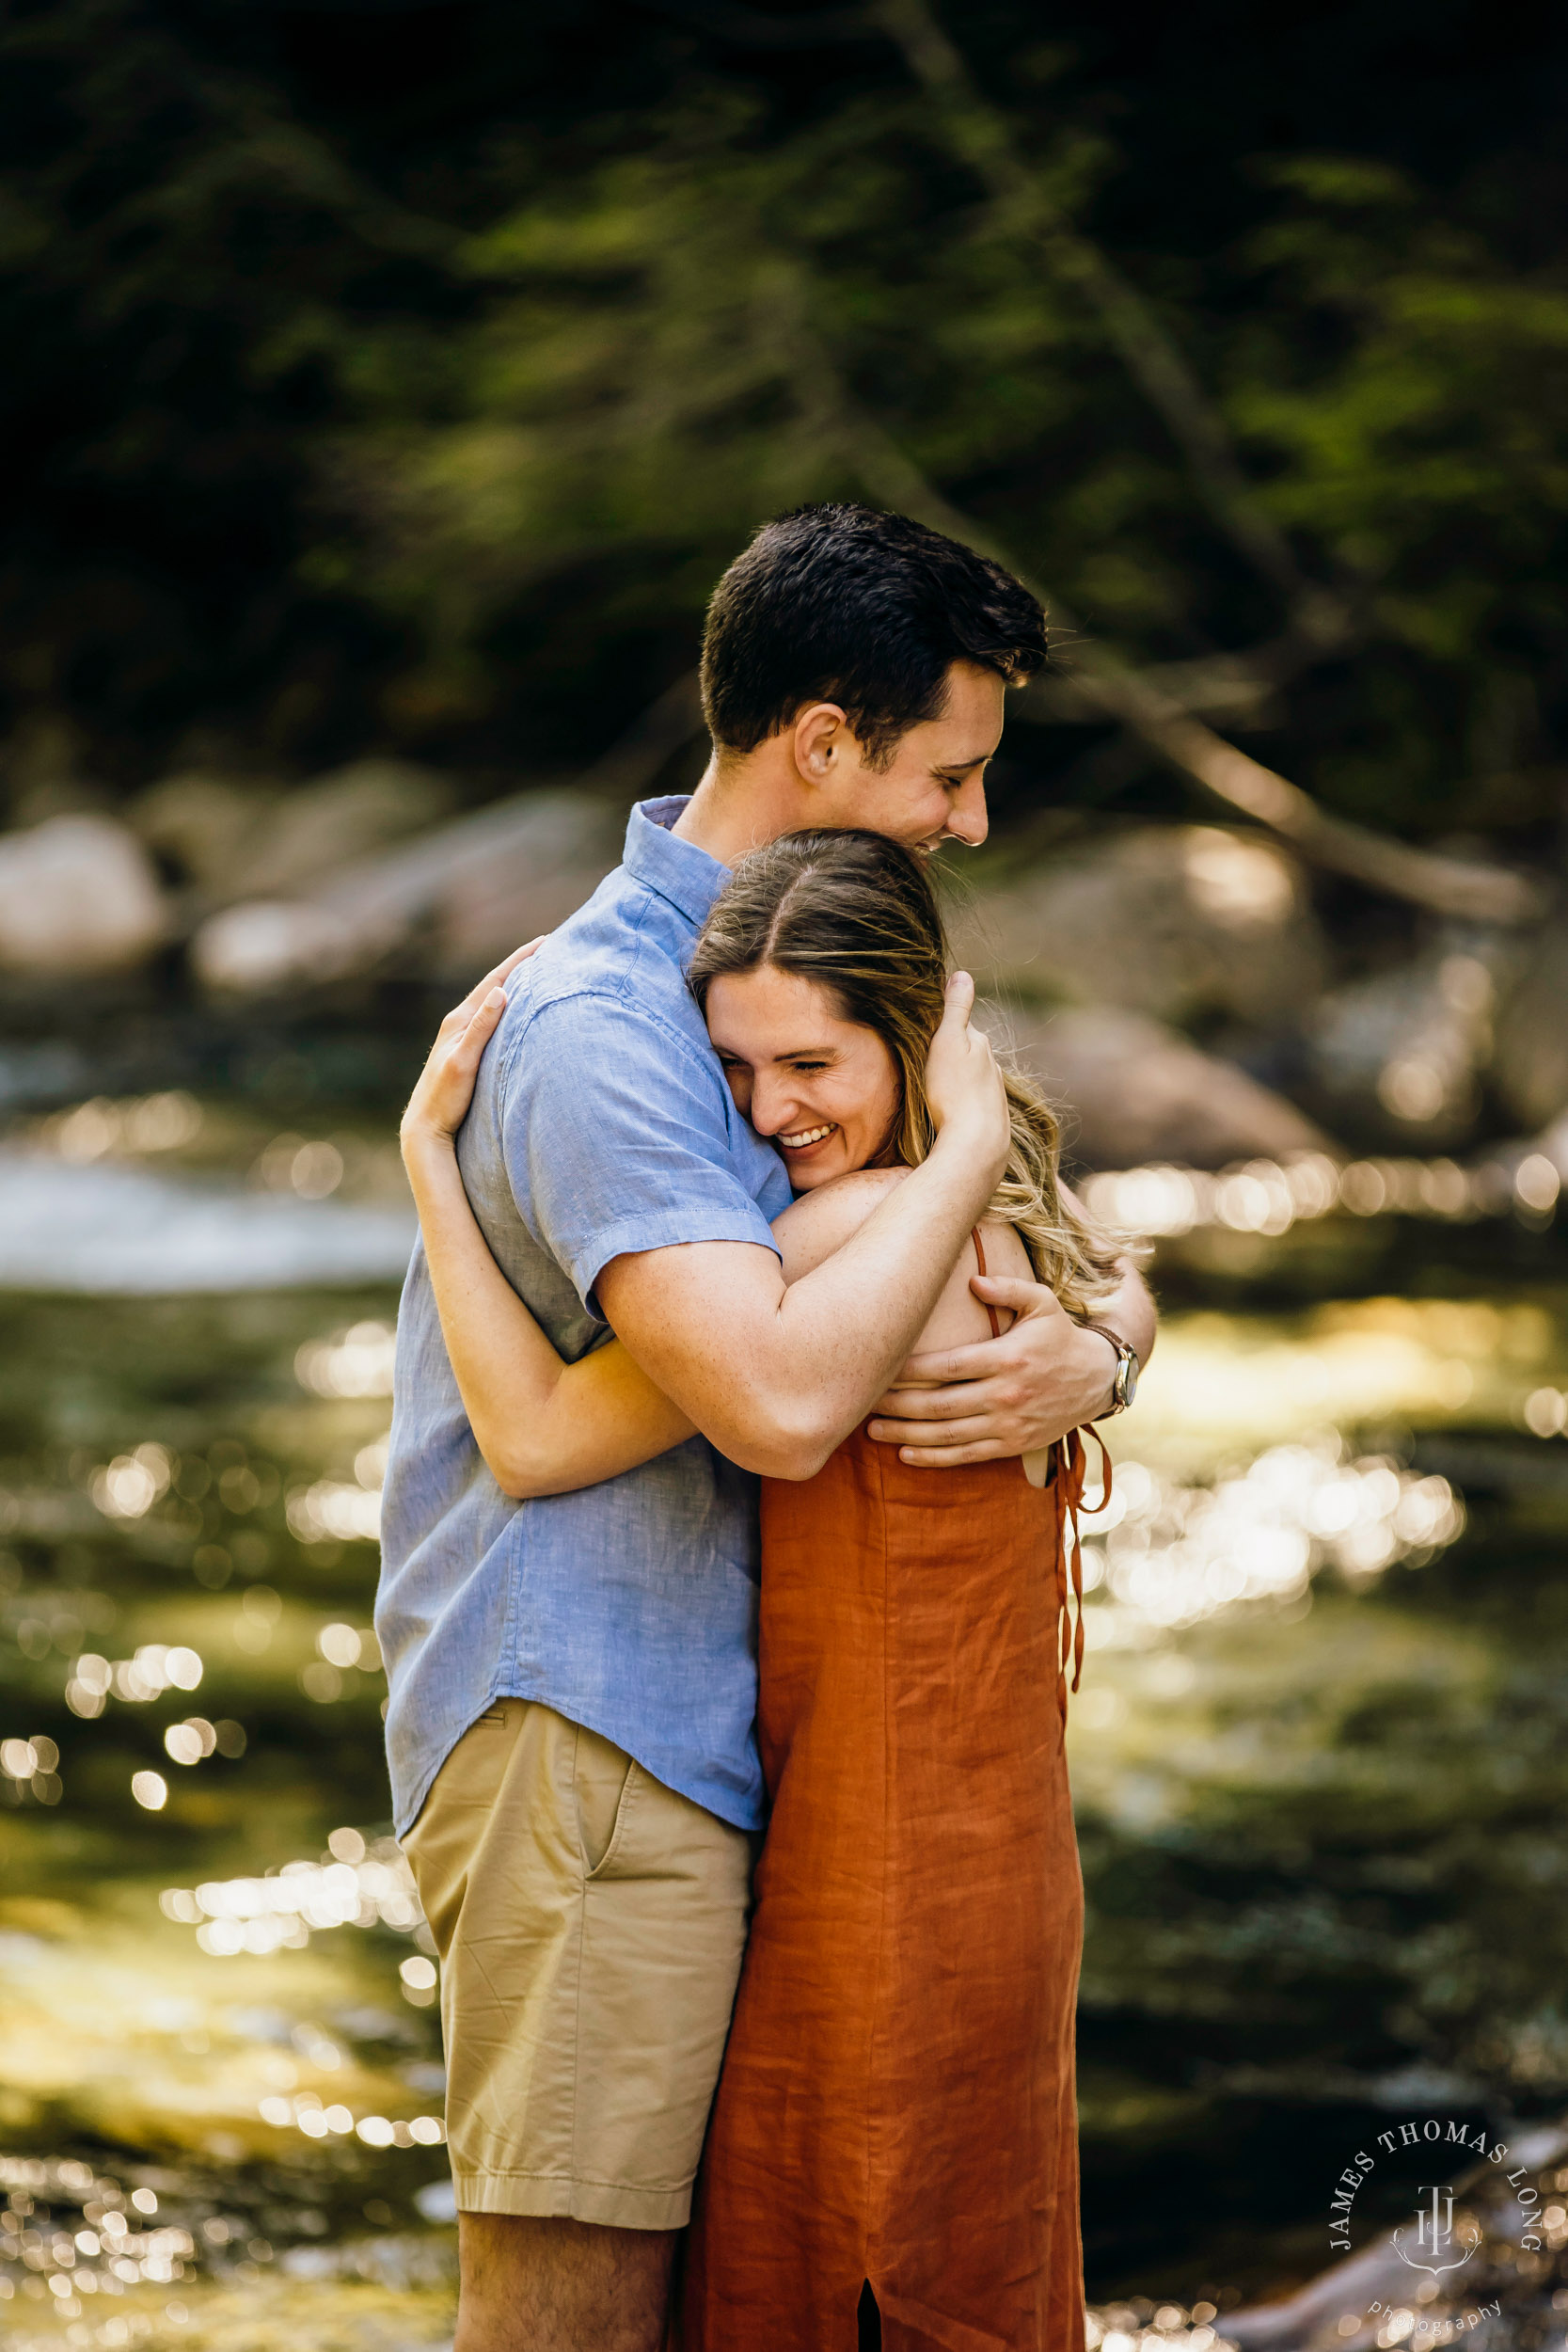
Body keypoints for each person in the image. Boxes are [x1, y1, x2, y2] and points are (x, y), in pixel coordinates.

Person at [376, 501, 1157, 2352]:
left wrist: (1104, 1347)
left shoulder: (789, 971)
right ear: (822, 742)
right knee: (568, 2315)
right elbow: (785, 1395)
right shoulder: (608, 1027)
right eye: (949, 772)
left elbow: (1063, 1247)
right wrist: (966, 1140)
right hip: (587, 1734)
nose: (972, 818)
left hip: (733, 1747)